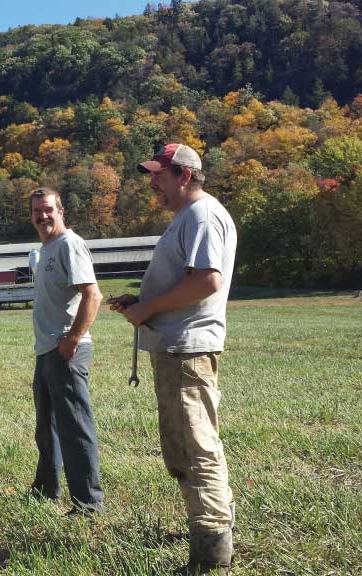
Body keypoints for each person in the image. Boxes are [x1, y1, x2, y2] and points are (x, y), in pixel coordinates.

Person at [110, 144, 237, 574]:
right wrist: (142, 300)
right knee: (183, 446)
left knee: (196, 446)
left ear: (184, 175)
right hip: (176, 346)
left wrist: (146, 310)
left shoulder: (201, 216)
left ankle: (212, 552)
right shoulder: (188, 218)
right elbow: (186, 281)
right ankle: (207, 528)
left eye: (158, 175)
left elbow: (206, 281)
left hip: (187, 348)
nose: (152, 183)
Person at [27, 187, 105, 515]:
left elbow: (93, 295)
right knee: (46, 427)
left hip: (66, 349)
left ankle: (88, 503)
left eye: (48, 210)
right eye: (36, 211)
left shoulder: (69, 245)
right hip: (46, 349)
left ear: (61, 212)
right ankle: (46, 490)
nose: (43, 216)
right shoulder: (42, 251)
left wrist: (72, 339)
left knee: (74, 427)